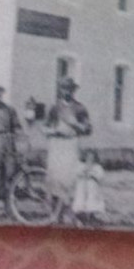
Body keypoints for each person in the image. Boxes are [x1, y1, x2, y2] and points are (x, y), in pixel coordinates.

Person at [43, 77, 92, 216]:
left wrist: (76, 125)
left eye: (69, 89)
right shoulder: (55, 108)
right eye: (64, 88)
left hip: (71, 143)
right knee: (54, 177)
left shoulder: (80, 108)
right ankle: (53, 211)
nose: (66, 91)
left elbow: (88, 129)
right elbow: (44, 127)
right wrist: (52, 131)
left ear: (73, 91)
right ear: (60, 90)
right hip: (56, 144)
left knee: (70, 177)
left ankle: (69, 210)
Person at [72, 149, 106, 225]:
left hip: (93, 188)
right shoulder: (80, 165)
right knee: (81, 203)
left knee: (92, 202)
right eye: (88, 157)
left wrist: (92, 175)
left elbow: (100, 176)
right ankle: (81, 218)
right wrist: (84, 172)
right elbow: (76, 174)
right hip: (82, 187)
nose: (90, 159)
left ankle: (91, 217)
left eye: (92, 157)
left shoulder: (97, 167)